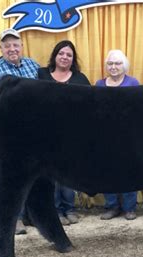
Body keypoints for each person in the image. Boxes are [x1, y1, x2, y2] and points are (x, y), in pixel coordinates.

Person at [0, 28, 40, 234]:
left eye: (15, 45)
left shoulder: (32, 65)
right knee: (11, 178)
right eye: (7, 46)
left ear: (22, 46)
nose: (12, 49)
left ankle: (33, 216)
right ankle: (13, 219)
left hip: (34, 130)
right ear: (1, 48)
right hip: (11, 132)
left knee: (34, 175)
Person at [37, 40, 91, 226]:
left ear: (73, 59)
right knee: (50, 174)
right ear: (55, 55)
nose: (65, 57)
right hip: (45, 133)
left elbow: (89, 106)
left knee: (68, 174)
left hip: (71, 134)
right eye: (61, 53)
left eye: (69, 55)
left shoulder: (80, 79)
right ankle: (55, 211)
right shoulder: (41, 74)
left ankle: (69, 208)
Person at [95, 50, 139, 220]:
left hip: (129, 135)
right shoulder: (99, 84)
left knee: (130, 170)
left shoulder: (133, 83)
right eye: (110, 64)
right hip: (105, 136)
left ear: (124, 66)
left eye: (117, 63)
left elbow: (139, 109)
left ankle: (129, 208)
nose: (113, 67)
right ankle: (111, 206)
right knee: (108, 171)